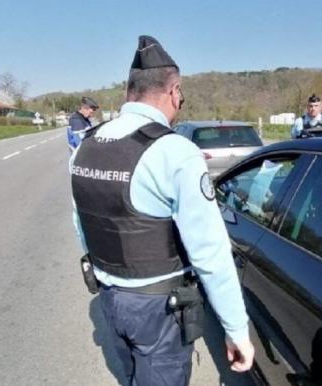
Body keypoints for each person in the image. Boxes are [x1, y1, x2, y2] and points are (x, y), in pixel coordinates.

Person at [70, 35, 254, 385]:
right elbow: (209, 253)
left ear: (130, 91)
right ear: (174, 92)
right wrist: (235, 329)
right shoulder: (175, 152)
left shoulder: (86, 146)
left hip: (110, 298)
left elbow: (82, 224)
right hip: (159, 311)